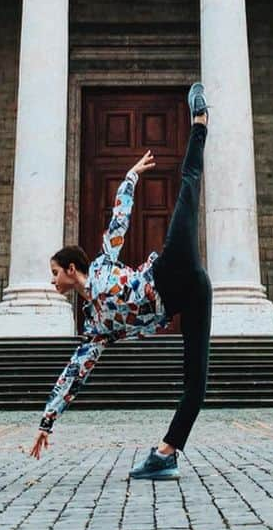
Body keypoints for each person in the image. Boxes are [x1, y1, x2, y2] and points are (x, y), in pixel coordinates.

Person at [29, 83, 212, 481]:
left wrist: (130, 176)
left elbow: (120, 220)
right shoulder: (96, 330)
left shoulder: (101, 265)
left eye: (55, 273)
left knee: (187, 191)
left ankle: (199, 122)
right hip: (187, 300)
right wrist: (47, 422)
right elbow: (73, 374)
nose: (54, 282)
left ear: (72, 268)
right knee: (196, 383)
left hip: (170, 271)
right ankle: (165, 455)